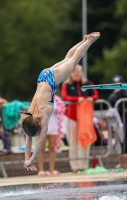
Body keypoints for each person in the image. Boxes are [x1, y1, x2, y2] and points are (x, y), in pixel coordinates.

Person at [21, 32, 100, 171]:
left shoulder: (43, 117)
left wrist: (31, 159)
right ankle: (84, 40)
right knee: (68, 58)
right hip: (43, 76)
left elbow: (40, 143)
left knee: (74, 60)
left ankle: (89, 41)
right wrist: (27, 159)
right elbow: (28, 143)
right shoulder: (28, 118)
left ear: (39, 124)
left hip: (52, 80)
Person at [61, 65, 99, 173]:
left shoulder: (88, 84)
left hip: (85, 117)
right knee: (72, 142)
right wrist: (78, 99)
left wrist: (91, 98)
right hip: (71, 117)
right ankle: (75, 166)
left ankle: (84, 165)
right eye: (74, 71)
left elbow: (95, 94)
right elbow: (65, 97)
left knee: (85, 140)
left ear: (81, 72)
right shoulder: (66, 85)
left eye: (77, 71)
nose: (76, 73)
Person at [37, 95, 66, 176]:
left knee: (52, 148)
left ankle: (51, 169)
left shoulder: (57, 99)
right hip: (42, 126)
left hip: (54, 126)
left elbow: (62, 109)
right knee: (41, 149)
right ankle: (41, 170)